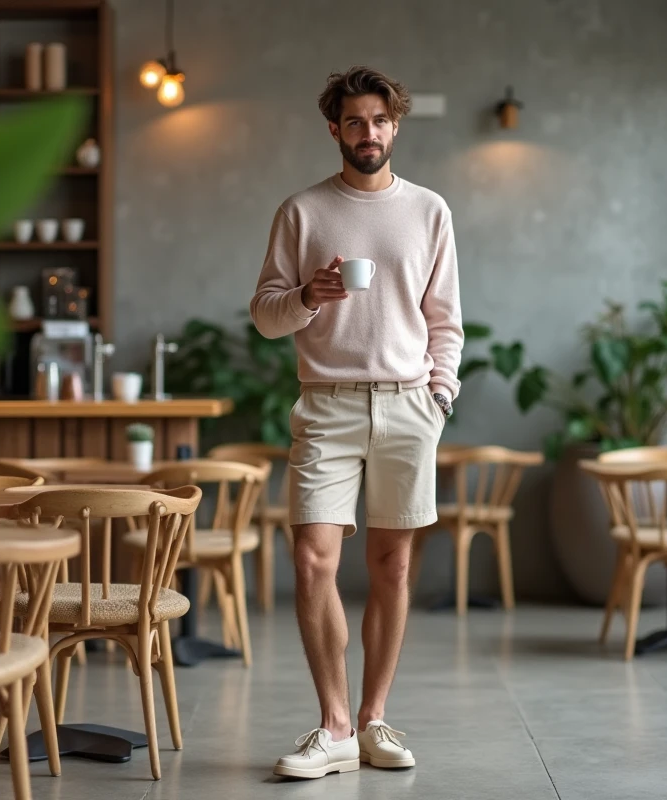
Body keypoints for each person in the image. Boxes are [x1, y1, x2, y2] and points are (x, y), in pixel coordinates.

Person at [249, 65, 463, 780]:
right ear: (333, 129)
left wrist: (439, 392)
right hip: (327, 406)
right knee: (312, 561)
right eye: (354, 122)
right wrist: (307, 295)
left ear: (394, 126)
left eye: (379, 120)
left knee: (392, 567)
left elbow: (445, 320)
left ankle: (374, 720)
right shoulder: (302, 212)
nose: (367, 133)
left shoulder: (430, 210)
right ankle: (334, 725)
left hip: (408, 403)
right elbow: (266, 315)